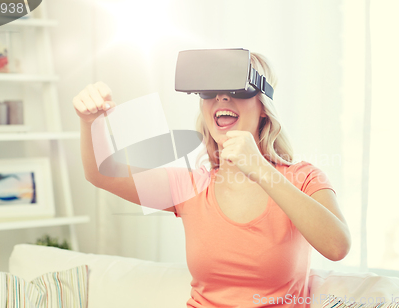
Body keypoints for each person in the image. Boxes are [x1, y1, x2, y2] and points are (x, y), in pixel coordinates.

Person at [72, 51, 351, 308]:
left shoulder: (303, 178)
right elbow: (100, 174)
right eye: (210, 91)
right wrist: (90, 121)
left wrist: (261, 170)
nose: (221, 98)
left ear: (263, 105)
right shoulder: (191, 187)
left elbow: (337, 246)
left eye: (235, 88)